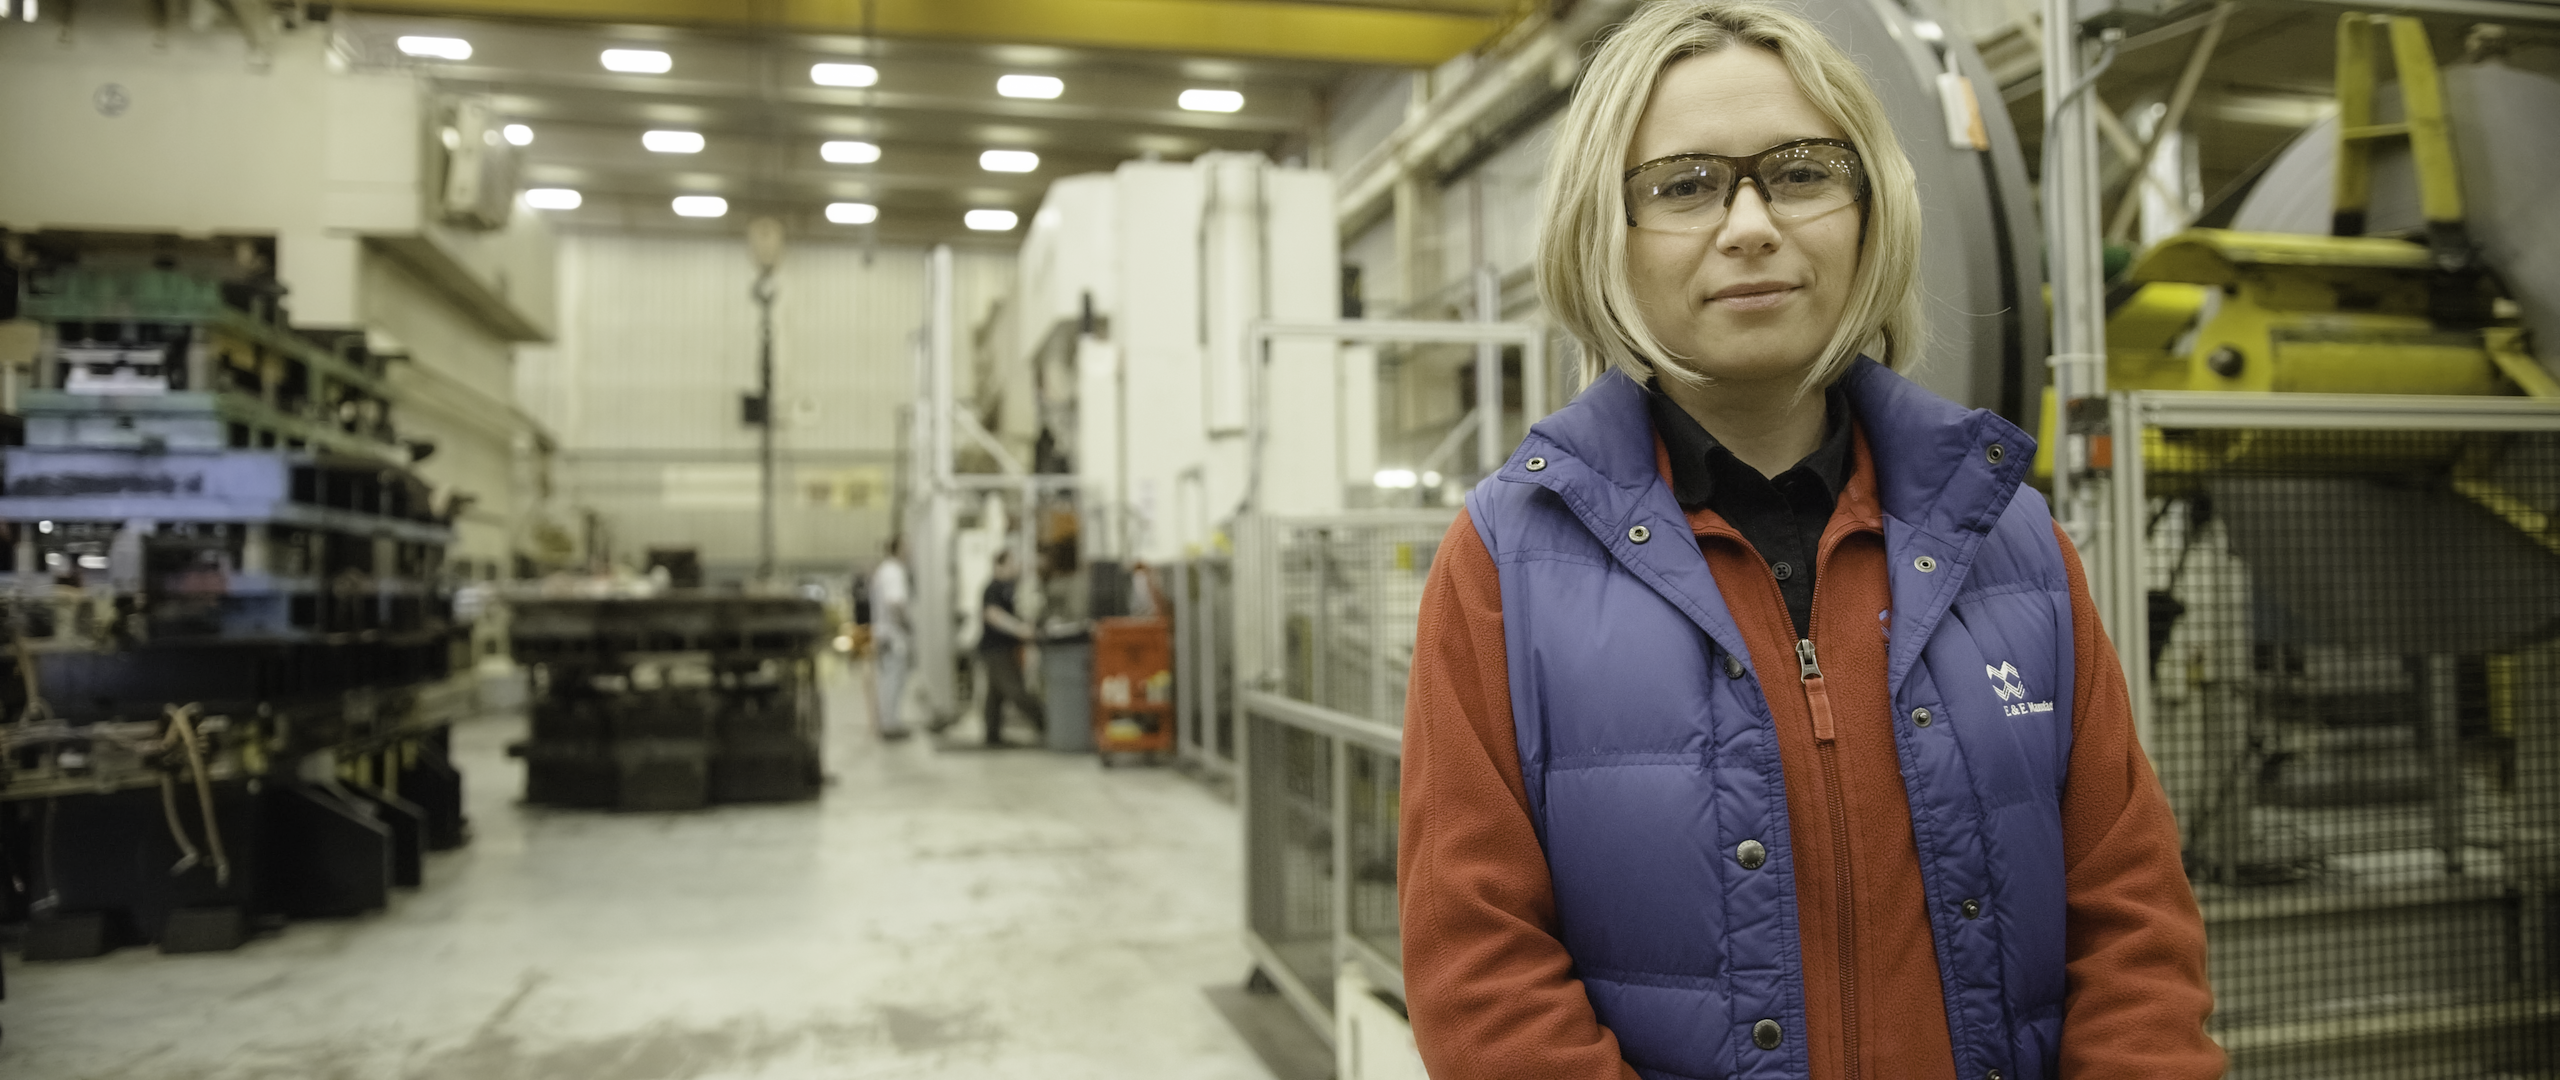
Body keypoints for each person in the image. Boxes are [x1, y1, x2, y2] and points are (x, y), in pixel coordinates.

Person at [1394, 4, 2222, 1079]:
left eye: (1800, 171)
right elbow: (1479, 972)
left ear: (1867, 209)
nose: (1749, 224)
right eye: (1684, 184)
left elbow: (2134, 930)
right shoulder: (1507, 561)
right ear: (1604, 230)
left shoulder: (2013, 543)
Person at [977, 548, 1045, 746]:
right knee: (1016, 691)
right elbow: (992, 615)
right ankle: (1045, 722)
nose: (1014, 568)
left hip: (1004, 648)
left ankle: (992, 735)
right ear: (999, 565)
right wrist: (1019, 629)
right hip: (995, 650)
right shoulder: (993, 588)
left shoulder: (1010, 588)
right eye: (1010, 563)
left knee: (995, 695)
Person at [867, 536, 911, 739]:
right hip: (893, 635)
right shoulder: (893, 571)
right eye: (906, 547)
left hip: (883, 633)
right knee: (893, 679)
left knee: (888, 679)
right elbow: (895, 602)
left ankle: (888, 722)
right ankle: (890, 725)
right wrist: (906, 624)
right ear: (898, 549)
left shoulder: (884, 571)